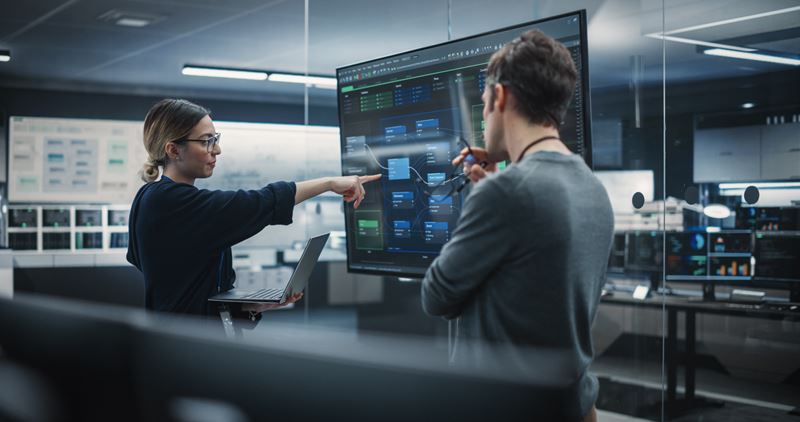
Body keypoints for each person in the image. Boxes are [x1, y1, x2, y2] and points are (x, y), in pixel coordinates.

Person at [420, 30, 613, 422]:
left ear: (501, 97)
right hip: (572, 408)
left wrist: (485, 196)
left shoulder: (507, 194)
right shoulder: (593, 189)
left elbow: (436, 297)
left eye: (484, 104)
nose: (484, 115)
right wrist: (496, 185)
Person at [127, 99, 380, 324]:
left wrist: (250, 306)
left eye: (216, 139)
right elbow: (261, 202)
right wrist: (328, 183)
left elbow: (186, 282)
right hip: (184, 346)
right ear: (173, 150)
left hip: (196, 340)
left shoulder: (152, 197)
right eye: (206, 141)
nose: (216, 150)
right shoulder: (169, 201)